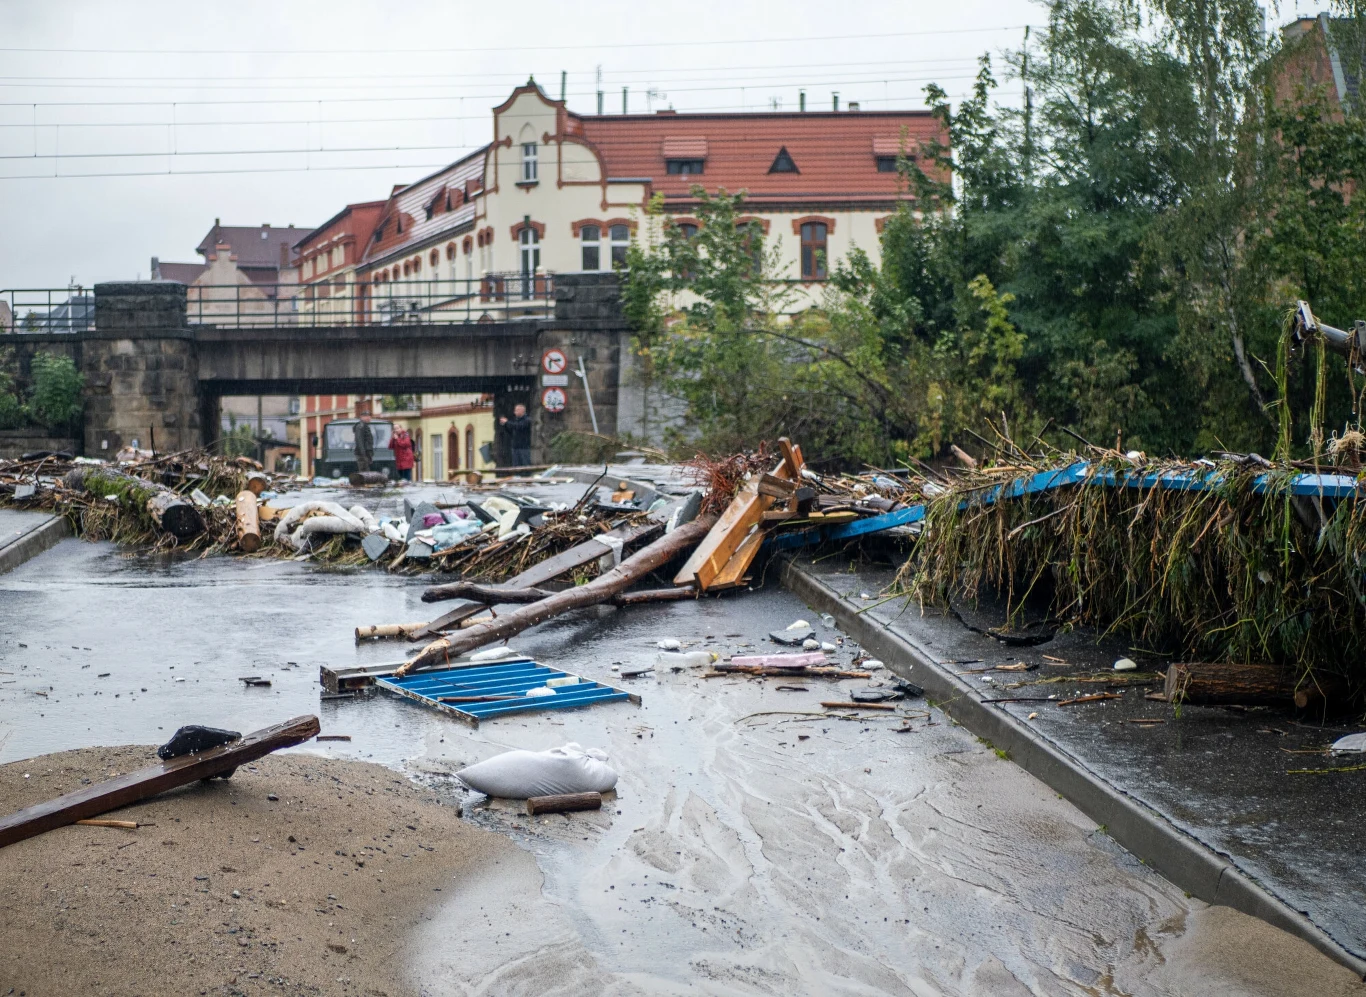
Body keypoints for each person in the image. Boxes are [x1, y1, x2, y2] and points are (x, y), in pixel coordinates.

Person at [499, 403, 532, 467]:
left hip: (524, 448)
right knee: (516, 466)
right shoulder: (516, 420)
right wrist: (505, 425)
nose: (515, 412)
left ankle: (526, 476)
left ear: (522, 411)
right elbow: (511, 431)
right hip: (515, 447)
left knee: (525, 466)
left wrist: (507, 422)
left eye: (516, 410)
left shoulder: (527, 420)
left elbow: (518, 426)